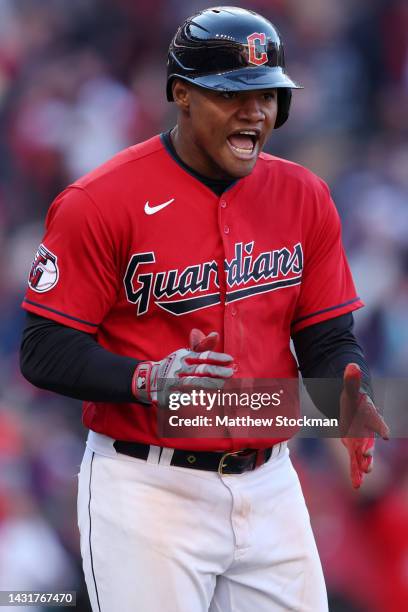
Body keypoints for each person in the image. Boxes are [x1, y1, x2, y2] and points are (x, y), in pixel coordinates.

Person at [20, 6, 389, 612]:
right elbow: (43, 350)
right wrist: (144, 379)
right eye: (233, 95)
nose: (256, 111)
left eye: (268, 95)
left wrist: (348, 403)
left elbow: (328, 339)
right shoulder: (100, 200)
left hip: (270, 480)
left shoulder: (304, 195)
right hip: (146, 485)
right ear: (182, 95)